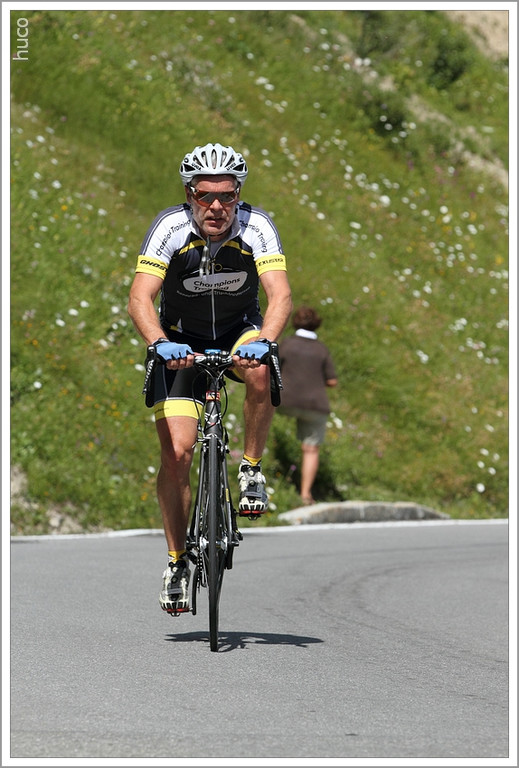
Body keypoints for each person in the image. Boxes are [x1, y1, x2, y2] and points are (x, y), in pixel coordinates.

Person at [127, 142, 292, 614]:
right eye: (205, 195)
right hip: (180, 343)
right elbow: (140, 297)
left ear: (238, 194)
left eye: (227, 195)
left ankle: (251, 468)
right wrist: (159, 343)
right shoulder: (169, 228)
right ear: (190, 195)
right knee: (178, 454)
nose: (217, 206)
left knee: (259, 366)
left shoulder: (257, 226)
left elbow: (279, 295)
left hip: (240, 333)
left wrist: (267, 338)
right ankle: (177, 561)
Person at [277, 306, 337, 506]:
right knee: (311, 449)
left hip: (285, 400)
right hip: (315, 404)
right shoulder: (321, 349)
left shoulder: (287, 344)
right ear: (317, 324)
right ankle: (305, 494)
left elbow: (273, 368)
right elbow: (332, 381)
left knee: (264, 421)